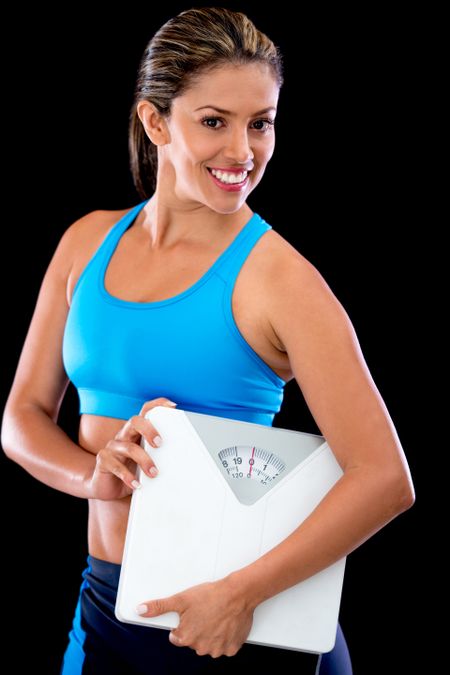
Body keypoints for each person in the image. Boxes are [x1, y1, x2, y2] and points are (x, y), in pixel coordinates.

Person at [1, 7, 415, 675]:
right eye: (214, 122)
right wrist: (93, 475)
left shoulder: (281, 281)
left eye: (262, 123)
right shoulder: (86, 244)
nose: (243, 152)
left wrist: (241, 594)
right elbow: (21, 418)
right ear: (155, 121)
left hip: (241, 622)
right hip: (107, 609)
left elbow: (385, 478)